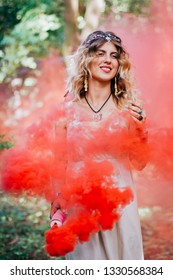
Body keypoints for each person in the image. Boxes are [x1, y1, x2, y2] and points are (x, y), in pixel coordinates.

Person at [50, 30, 148, 260]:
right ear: (87, 58)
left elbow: (140, 163)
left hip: (121, 203)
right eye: (100, 53)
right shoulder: (66, 109)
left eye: (114, 56)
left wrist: (142, 130)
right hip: (79, 203)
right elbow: (58, 162)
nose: (108, 60)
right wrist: (58, 201)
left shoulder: (130, 110)